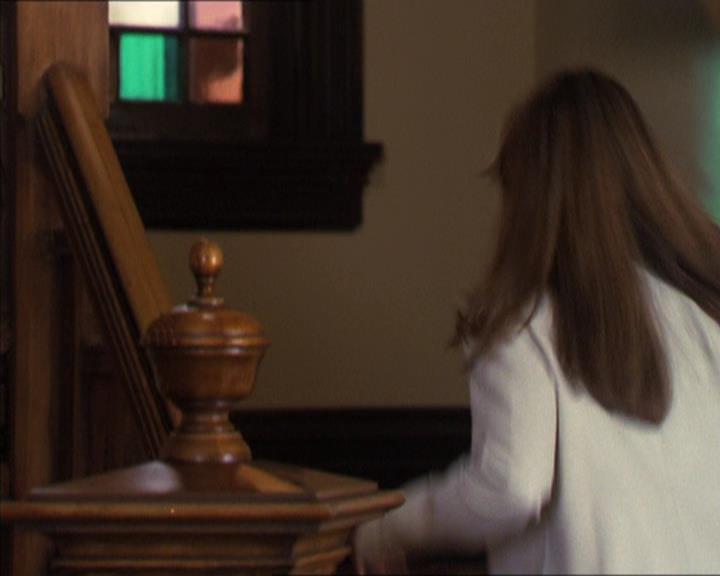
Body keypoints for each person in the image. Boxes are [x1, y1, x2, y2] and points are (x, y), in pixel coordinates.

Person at [353, 68, 720, 574]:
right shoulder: (703, 319)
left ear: (527, 196)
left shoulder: (521, 323)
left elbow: (510, 487)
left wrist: (387, 530)